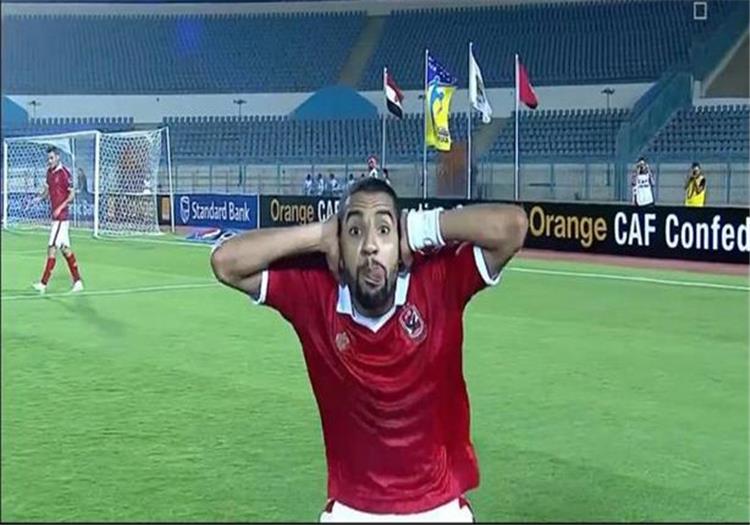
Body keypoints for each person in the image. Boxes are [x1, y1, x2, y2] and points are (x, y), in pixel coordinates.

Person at [210, 177, 528, 522]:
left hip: (440, 508)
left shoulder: (439, 281)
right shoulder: (313, 293)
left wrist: (421, 227)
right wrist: (318, 234)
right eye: (355, 232)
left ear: (401, 241)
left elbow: (512, 227)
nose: (370, 246)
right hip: (353, 510)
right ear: (339, 247)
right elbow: (226, 262)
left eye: (384, 230)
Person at [31, 146, 84, 294]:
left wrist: (60, 208)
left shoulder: (64, 173)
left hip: (61, 218)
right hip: (56, 218)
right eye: (48, 158)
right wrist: (39, 198)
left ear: (58, 157)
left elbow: (72, 195)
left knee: (52, 248)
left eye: (51, 158)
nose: (49, 161)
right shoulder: (49, 172)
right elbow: (47, 191)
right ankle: (78, 281)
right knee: (66, 250)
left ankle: (43, 284)